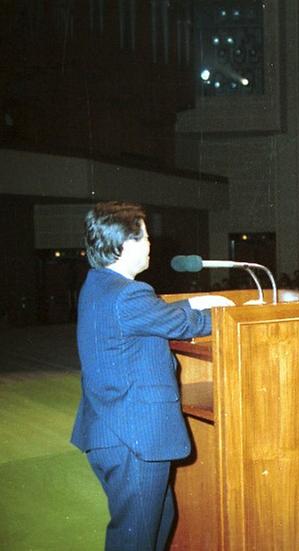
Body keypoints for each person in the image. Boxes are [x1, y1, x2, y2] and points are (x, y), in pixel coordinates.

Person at [70, 202, 233, 551]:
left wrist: (197, 301)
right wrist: (237, 316)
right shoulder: (128, 295)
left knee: (157, 522)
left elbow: (154, 314)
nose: (150, 244)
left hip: (112, 430)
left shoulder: (100, 286)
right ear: (124, 245)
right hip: (132, 438)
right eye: (144, 237)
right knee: (136, 539)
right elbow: (182, 324)